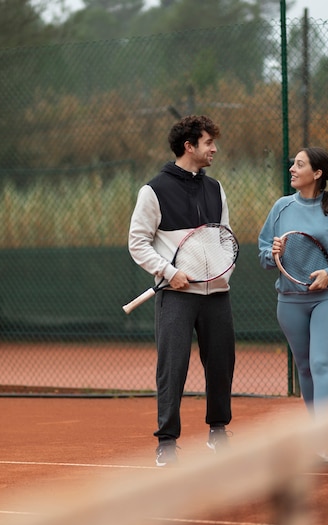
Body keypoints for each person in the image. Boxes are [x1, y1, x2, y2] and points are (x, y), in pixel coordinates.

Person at [128, 115, 236, 467]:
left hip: (217, 295)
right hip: (175, 296)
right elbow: (137, 242)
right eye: (208, 143)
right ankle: (167, 442)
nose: (214, 149)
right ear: (189, 146)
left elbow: (225, 236)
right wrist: (168, 272)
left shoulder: (215, 188)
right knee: (172, 368)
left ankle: (218, 432)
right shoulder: (153, 190)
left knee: (221, 365)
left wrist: (222, 271)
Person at [258, 147, 328, 454]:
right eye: (292, 163)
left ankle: (324, 438)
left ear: (317, 174)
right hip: (289, 300)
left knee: (320, 363)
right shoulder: (280, 207)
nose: (291, 168)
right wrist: (272, 252)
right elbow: (264, 255)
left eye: (299, 164)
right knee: (304, 367)